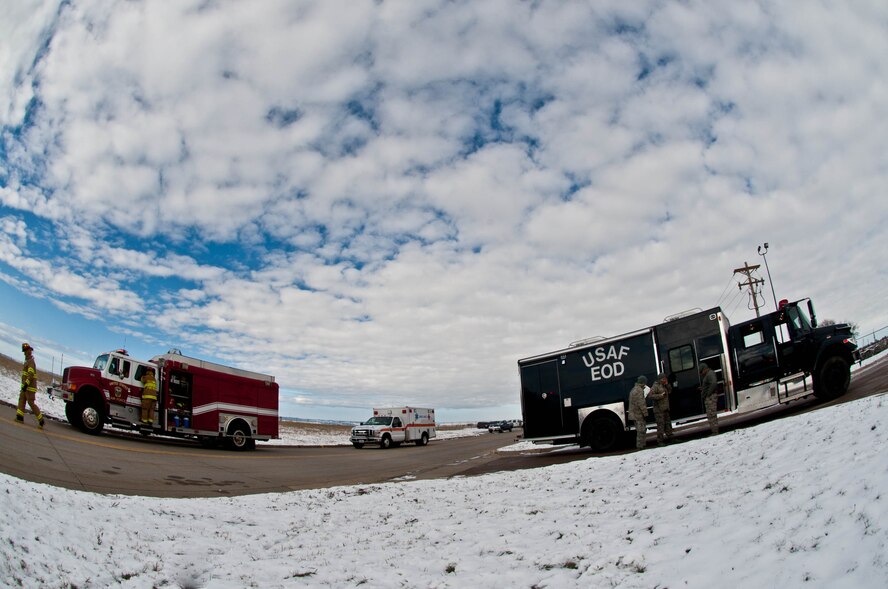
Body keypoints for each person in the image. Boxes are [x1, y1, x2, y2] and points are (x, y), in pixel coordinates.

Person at [17, 343, 45, 429]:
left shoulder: (31, 362)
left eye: (27, 350)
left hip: (29, 388)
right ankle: (19, 417)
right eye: (25, 351)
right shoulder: (27, 361)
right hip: (25, 387)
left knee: (31, 403)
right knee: (22, 400)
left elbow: (31, 374)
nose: (26, 352)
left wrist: (26, 384)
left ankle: (41, 420)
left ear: (30, 351)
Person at [649, 373, 673, 445]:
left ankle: (671, 438)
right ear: (660, 379)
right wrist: (660, 396)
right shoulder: (655, 386)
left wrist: (667, 385)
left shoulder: (664, 385)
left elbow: (670, 391)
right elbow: (651, 396)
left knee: (668, 424)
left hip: (665, 408)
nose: (665, 380)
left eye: (665, 378)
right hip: (659, 410)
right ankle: (660, 441)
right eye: (663, 379)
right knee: (661, 426)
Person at [627, 375, 649, 450]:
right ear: (643, 382)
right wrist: (645, 414)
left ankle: (642, 445)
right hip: (638, 414)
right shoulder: (639, 391)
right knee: (641, 430)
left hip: (634, 414)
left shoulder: (634, 389)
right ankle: (640, 446)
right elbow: (641, 403)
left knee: (640, 430)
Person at [699, 362, 719, 435]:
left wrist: (708, 393)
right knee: (710, 415)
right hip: (709, 397)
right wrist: (703, 388)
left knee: (712, 415)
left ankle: (715, 431)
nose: (701, 374)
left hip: (710, 397)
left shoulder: (710, 374)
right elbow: (709, 385)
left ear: (705, 369)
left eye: (701, 371)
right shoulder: (708, 375)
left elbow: (713, 383)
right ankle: (714, 431)